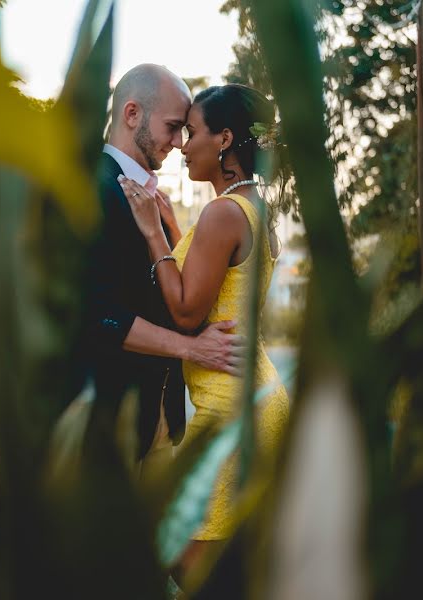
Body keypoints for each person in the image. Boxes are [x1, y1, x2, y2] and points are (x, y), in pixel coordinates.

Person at [118, 83, 290, 576]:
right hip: (255, 393)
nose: (182, 147)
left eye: (191, 133)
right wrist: (174, 229)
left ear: (224, 139)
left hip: (229, 408)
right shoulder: (252, 204)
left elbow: (189, 312)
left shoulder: (220, 213)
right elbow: (213, 283)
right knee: (230, 563)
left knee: (183, 559)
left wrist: (153, 233)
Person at [86, 65, 246, 473]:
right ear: (132, 113)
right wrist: (192, 348)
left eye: (186, 132)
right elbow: (99, 314)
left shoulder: (155, 202)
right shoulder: (95, 189)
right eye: (174, 127)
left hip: (162, 420)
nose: (178, 143)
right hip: (111, 426)